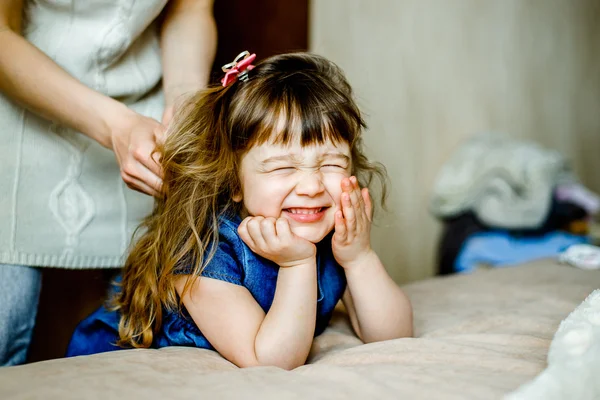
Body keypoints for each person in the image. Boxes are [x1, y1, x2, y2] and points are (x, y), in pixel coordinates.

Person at [66, 51, 413, 370]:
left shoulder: (332, 231)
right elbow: (272, 360)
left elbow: (393, 336)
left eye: (332, 164)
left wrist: (359, 257)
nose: (312, 187)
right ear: (234, 182)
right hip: (119, 360)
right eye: (282, 168)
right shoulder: (204, 250)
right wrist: (297, 263)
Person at [0, 0, 217, 366]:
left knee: (138, 342)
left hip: (144, 114)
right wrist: (115, 125)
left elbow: (190, 10)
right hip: (16, 115)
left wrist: (184, 101)